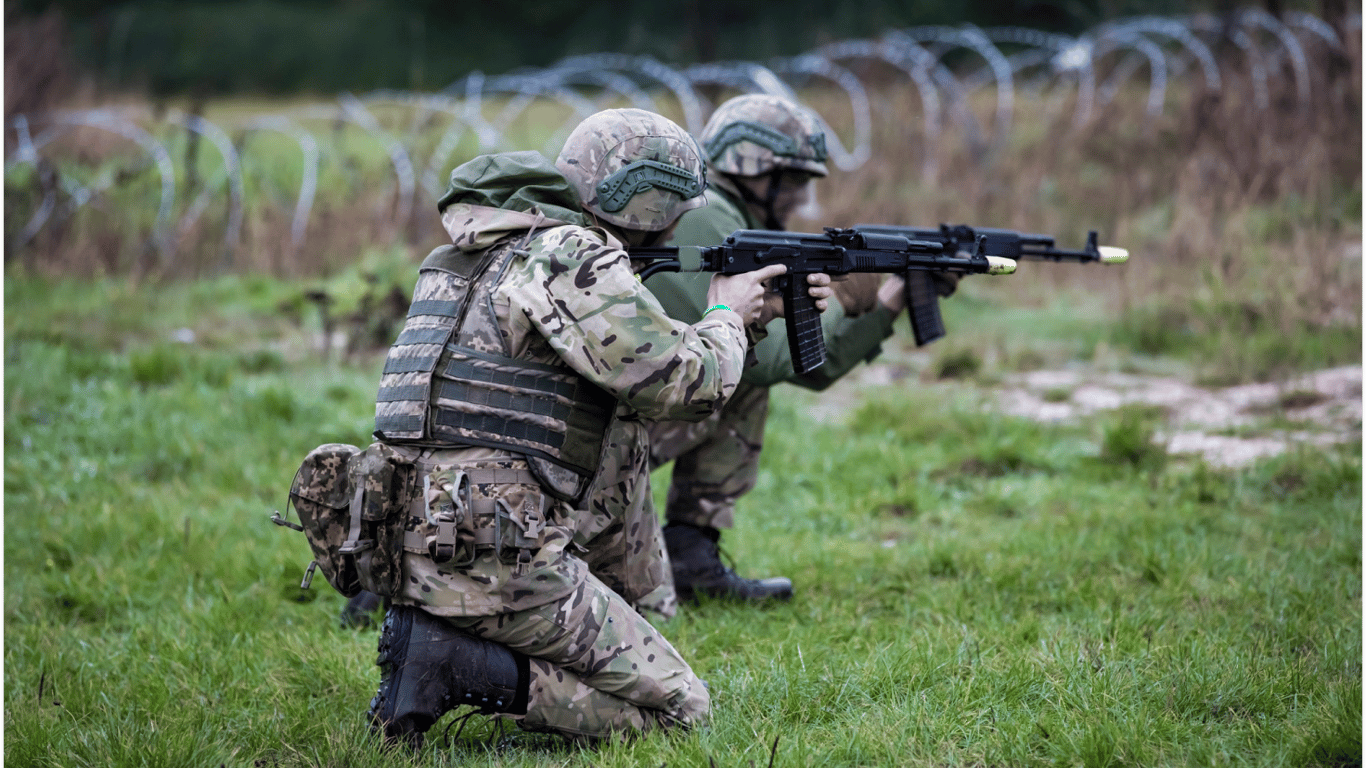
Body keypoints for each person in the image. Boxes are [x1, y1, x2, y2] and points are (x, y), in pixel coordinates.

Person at [359, 107, 833, 746]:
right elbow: (685, 382)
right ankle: (449, 665)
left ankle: (453, 639)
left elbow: (622, 403)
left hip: (410, 541)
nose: (676, 227)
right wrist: (727, 311)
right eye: (673, 209)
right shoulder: (575, 257)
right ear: (645, 200)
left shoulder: (483, 250)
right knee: (680, 712)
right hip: (498, 556)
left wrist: (743, 323)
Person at [645, 94, 954, 603]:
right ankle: (661, 555)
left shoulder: (725, 215)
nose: (800, 198)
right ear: (750, 171)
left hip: (631, 406)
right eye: (790, 180)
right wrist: (843, 303)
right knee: (740, 379)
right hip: (599, 430)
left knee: (741, 383)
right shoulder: (707, 219)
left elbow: (808, 367)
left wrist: (888, 299)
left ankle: (689, 558)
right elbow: (770, 361)